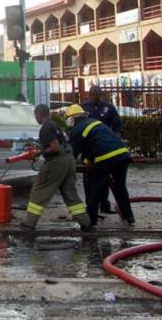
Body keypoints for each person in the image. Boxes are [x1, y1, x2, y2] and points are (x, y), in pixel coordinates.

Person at [20, 104, 92, 232]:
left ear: (38, 114)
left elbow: (55, 147)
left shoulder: (45, 128)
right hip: (69, 160)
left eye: (35, 115)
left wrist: (40, 152)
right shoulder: (55, 125)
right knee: (70, 193)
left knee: (40, 189)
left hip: (57, 162)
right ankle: (85, 222)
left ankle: (28, 223)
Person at [64, 104, 134, 227]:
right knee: (120, 188)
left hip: (105, 159)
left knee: (94, 189)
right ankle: (129, 217)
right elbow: (92, 146)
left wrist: (69, 167)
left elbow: (73, 152)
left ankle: (91, 220)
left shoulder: (77, 129)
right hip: (122, 155)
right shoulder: (95, 122)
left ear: (72, 118)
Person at [81, 85, 124, 216]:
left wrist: (115, 139)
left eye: (97, 96)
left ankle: (104, 204)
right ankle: (90, 205)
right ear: (89, 95)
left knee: (105, 177)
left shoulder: (108, 108)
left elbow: (118, 126)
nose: (95, 99)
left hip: (104, 148)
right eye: (93, 96)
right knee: (88, 176)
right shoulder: (84, 108)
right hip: (89, 148)